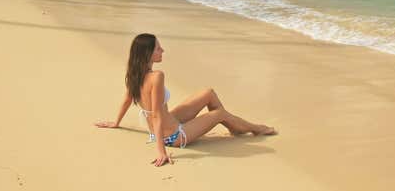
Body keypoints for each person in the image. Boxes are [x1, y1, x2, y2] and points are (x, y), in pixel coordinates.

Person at [95, 33, 276, 166]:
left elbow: (127, 100)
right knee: (219, 113)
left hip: (167, 124)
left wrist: (116, 122)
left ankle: (232, 126)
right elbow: (157, 115)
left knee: (209, 93)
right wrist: (161, 151)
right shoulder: (156, 76)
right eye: (158, 48)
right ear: (148, 54)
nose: (162, 50)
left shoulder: (135, 74)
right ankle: (255, 128)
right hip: (173, 136)